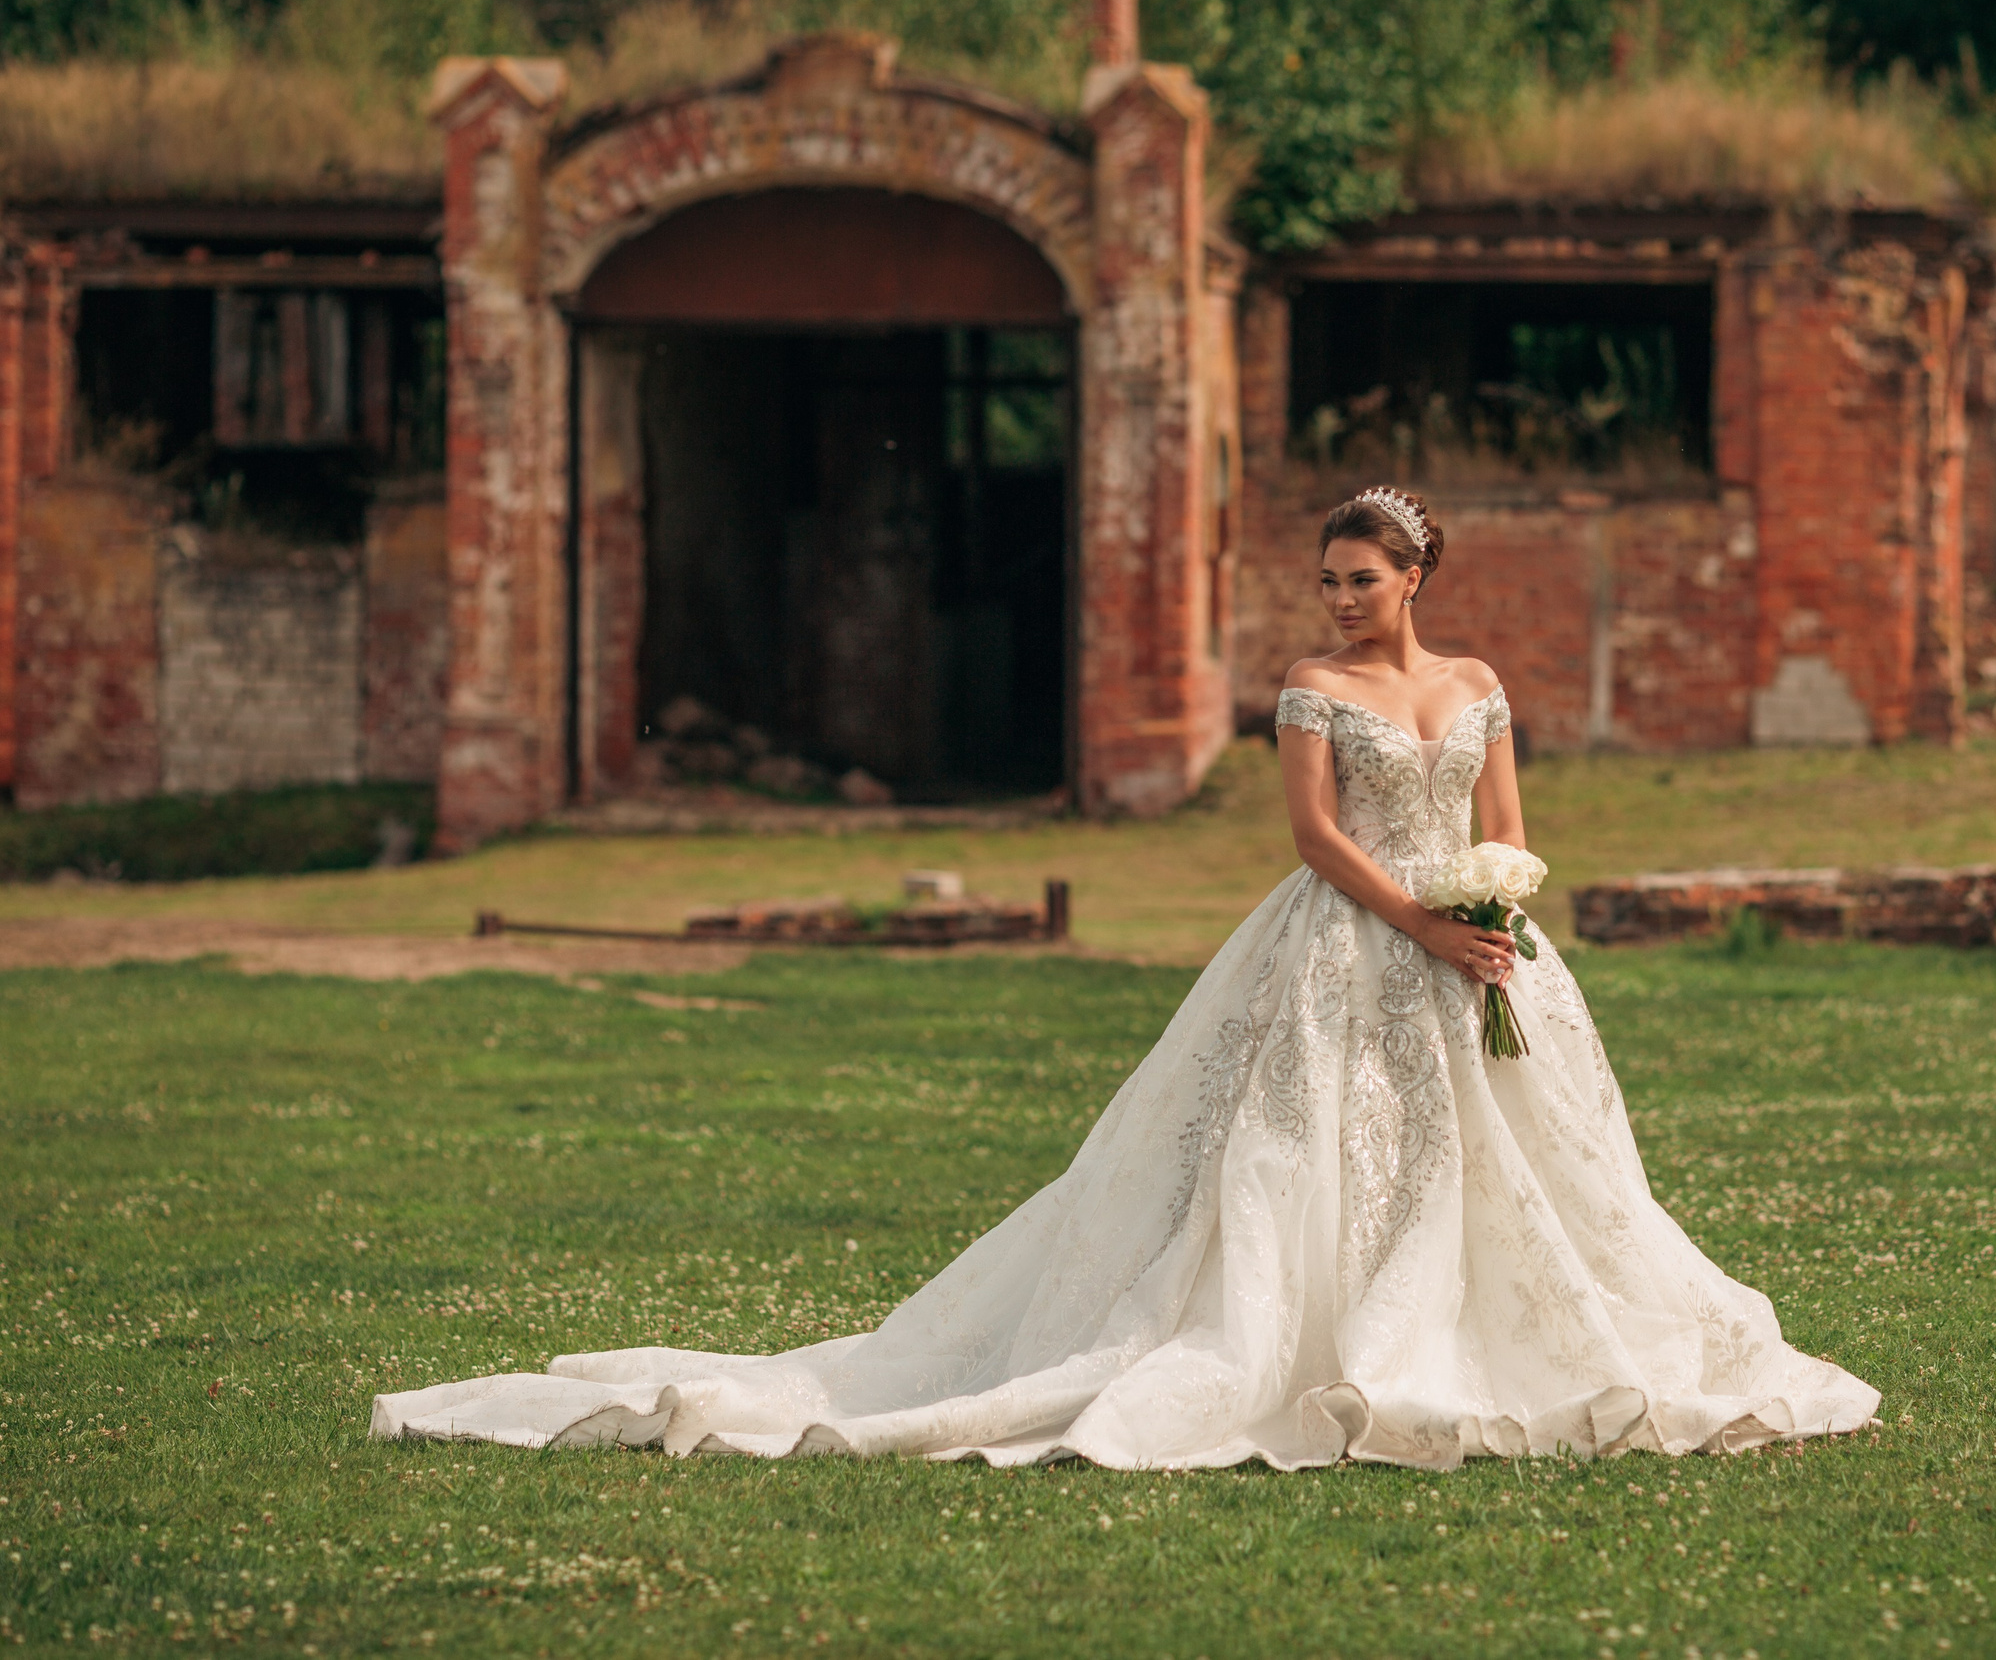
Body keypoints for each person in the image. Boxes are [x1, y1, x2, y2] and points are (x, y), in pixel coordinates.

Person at [373, 487, 1879, 1468]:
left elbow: (1508, 825)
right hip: (1349, 948)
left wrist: (1498, 909)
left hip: (1481, 944)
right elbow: (1310, 836)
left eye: (1364, 580)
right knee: (1307, 1161)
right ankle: (1286, 1343)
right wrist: (1421, 924)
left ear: (1417, 574)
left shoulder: (1479, 686)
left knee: (1503, 1161)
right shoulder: (1311, 691)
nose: (1342, 600)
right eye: (1331, 581)